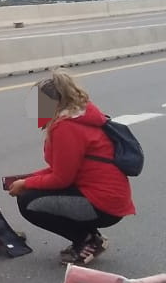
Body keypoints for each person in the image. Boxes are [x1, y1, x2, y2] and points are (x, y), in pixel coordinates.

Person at [7, 70, 135, 265]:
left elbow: (61, 179)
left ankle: (86, 241)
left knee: (28, 202)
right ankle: (90, 237)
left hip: (102, 203)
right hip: (108, 198)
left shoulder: (65, 128)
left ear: (54, 104)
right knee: (31, 191)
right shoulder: (79, 116)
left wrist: (26, 184)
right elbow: (62, 170)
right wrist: (28, 180)